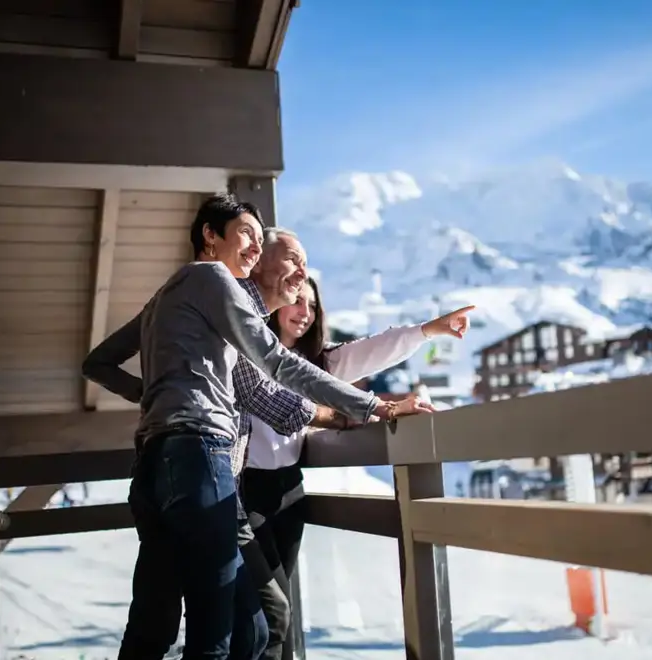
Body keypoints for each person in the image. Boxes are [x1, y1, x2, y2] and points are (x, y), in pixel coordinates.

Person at [82, 193, 431, 660]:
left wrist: (156, 396)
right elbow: (275, 365)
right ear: (210, 235)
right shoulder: (214, 278)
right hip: (199, 458)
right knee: (218, 634)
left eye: (258, 238)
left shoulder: (167, 295)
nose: (253, 245)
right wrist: (375, 408)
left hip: (152, 466)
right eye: (245, 233)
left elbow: (97, 363)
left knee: (154, 627)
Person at [241, 278, 474, 660]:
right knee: (270, 612)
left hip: (289, 492)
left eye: (312, 306)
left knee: (280, 609)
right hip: (246, 491)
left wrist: (430, 330)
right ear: (275, 301)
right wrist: (347, 415)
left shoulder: (319, 363)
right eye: (296, 301)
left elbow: (373, 350)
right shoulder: (250, 354)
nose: (304, 312)